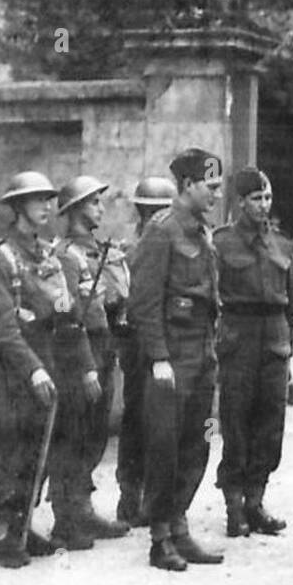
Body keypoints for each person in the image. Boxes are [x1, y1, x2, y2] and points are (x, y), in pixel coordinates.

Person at [0, 171, 99, 568]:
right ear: (17, 207)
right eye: (37, 200)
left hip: (46, 364)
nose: (47, 206)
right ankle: (0, 537)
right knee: (8, 452)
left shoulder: (48, 256)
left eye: (49, 199)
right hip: (9, 373)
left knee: (38, 453)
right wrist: (33, 371)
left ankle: (23, 524)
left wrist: (84, 366)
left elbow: (68, 317)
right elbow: (3, 329)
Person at [128, 149, 226, 572]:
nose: (217, 195)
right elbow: (143, 303)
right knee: (164, 448)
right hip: (173, 359)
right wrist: (158, 358)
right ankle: (160, 538)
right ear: (187, 186)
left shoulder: (203, 233)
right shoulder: (161, 232)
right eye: (211, 186)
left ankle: (180, 526)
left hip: (202, 355)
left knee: (198, 442)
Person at [213, 169, 293, 537]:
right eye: (256, 199)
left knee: (270, 424)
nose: (264, 205)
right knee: (236, 421)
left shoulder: (282, 244)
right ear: (240, 202)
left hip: (274, 337)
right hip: (239, 336)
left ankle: (255, 501)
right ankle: (233, 505)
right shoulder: (221, 244)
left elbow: (290, 303)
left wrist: (288, 350)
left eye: (267, 198)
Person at [53, 174, 131, 540]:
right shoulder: (66, 255)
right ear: (75, 210)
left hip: (105, 345)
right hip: (80, 351)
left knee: (96, 431)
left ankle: (82, 508)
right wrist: (86, 365)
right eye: (94, 202)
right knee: (75, 432)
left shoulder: (101, 252)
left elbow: (113, 300)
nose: (101, 208)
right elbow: (71, 316)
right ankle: (67, 517)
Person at [115, 175, 178, 528]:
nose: (154, 218)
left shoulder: (168, 241)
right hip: (137, 343)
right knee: (136, 418)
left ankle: (154, 498)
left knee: (161, 423)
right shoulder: (129, 249)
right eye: (150, 211)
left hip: (164, 341)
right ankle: (130, 494)